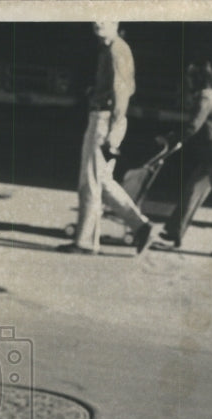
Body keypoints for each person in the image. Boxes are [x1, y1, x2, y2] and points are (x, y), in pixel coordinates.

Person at [58, 21, 154, 255]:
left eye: (105, 19)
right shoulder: (111, 48)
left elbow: (121, 92)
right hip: (106, 117)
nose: (97, 23)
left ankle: (84, 241)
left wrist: (113, 128)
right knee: (101, 180)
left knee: (90, 180)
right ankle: (140, 226)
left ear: (116, 22)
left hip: (105, 119)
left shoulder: (115, 50)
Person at [158, 60, 212, 258]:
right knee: (192, 191)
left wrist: (173, 139)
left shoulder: (206, 97)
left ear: (198, 79)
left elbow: (193, 126)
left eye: (189, 78)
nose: (187, 82)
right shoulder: (211, 95)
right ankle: (173, 232)